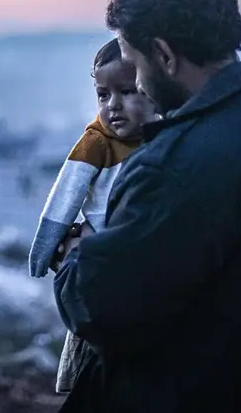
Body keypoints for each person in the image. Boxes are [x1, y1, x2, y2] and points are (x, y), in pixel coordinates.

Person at [52, 0, 241, 413]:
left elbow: (102, 310)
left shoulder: (176, 165)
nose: (138, 83)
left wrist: (76, 258)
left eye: (136, 64)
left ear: (163, 55)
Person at [26, 39, 157, 394]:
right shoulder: (97, 141)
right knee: (91, 349)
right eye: (103, 95)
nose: (113, 106)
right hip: (97, 258)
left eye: (127, 92)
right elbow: (65, 196)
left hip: (139, 263)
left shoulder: (164, 139)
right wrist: (44, 251)